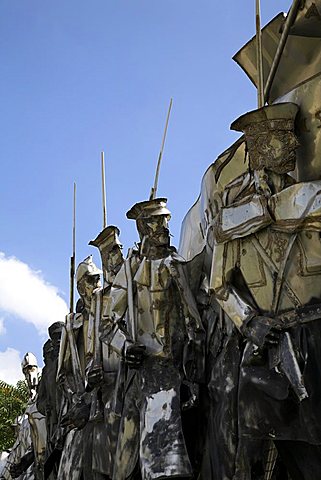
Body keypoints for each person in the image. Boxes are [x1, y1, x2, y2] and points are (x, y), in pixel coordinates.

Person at [208, 102, 321, 480]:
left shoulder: (308, 198)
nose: (292, 143)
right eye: (281, 136)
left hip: (316, 332)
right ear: (258, 147)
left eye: (291, 134)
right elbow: (219, 286)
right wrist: (250, 322)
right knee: (259, 438)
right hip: (273, 343)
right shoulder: (232, 215)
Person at [101, 198, 204, 480]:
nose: (164, 226)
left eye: (166, 220)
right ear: (143, 227)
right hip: (149, 369)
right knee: (159, 462)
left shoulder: (178, 264)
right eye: (157, 221)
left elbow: (194, 319)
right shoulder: (132, 270)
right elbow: (107, 324)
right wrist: (125, 347)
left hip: (185, 364)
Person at [83, 226, 124, 479]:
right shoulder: (99, 300)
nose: (117, 255)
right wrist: (92, 372)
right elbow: (90, 354)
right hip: (108, 385)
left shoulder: (135, 279)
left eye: (118, 248)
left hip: (135, 371)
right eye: (111, 251)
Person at [56, 256, 102, 480]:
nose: (97, 285)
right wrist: (79, 400)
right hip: (83, 400)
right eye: (92, 280)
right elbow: (64, 374)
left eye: (98, 279)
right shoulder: (71, 324)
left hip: (110, 390)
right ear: (81, 286)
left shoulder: (111, 310)